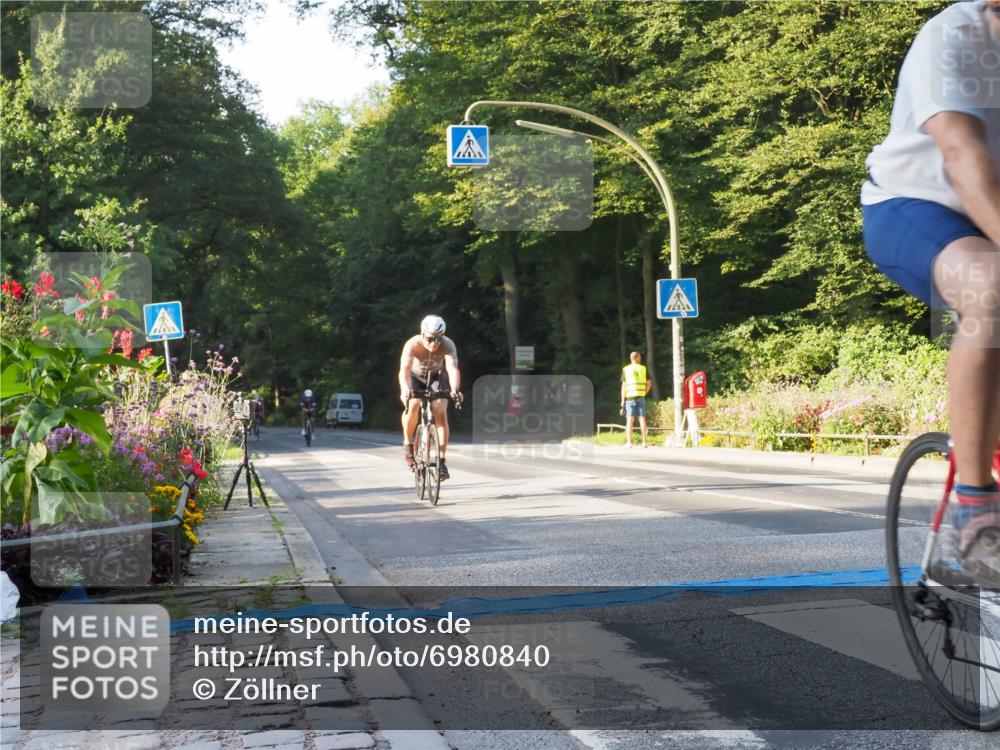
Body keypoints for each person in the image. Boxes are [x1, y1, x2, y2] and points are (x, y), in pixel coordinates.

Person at [861, 0, 1000, 580]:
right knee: (991, 288)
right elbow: (961, 155)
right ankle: (977, 508)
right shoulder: (957, 36)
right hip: (916, 206)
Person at [399, 315, 462, 479]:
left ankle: (442, 462)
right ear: (422, 334)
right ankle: (408, 443)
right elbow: (404, 370)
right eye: (430, 338)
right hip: (415, 377)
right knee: (413, 405)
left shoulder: (448, 345)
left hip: (435, 377)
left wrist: (455, 389)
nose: (434, 343)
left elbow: (452, 368)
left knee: (440, 409)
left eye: (439, 338)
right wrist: (405, 389)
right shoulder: (412, 344)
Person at [620, 351, 652, 448]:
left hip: (629, 398)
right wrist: (644, 392)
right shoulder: (643, 368)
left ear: (631, 358)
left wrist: (622, 400)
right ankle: (644, 442)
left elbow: (623, 386)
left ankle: (629, 443)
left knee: (630, 420)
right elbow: (649, 383)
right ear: (637, 358)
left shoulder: (626, 369)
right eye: (640, 357)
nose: (641, 358)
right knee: (642, 419)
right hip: (641, 397)